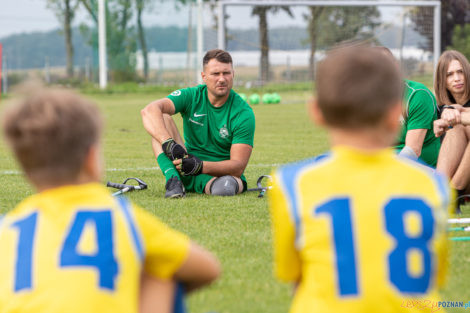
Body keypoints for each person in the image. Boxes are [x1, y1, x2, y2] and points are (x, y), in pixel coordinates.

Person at [0, 88, 220, 313]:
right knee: (161, 278)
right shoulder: (122, 218)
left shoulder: (6, 227)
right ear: (91, 159)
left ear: (25, 169)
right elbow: (208, 269)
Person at [269, 46, 451, 313]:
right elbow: (432, 278)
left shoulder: (291, 184)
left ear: (316, 113)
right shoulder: (435, 187)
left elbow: (296, 278)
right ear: (394, 114)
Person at [141, 49, 255, 198]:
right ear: (204, 76)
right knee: (160, 118)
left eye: (226, 73)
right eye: (215, 74)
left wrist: (200, 166)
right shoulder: (191, 96)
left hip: (217, 174)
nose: (222, 79)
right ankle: (173, 180)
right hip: (184, 166)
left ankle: (194, 183)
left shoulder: (243, 113)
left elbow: (238, 167)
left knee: (225, 189)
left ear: (233, 74)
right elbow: (149, 110)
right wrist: (168, 143)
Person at [375, 47, 440, 167]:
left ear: (395, 67)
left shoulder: (417, 94)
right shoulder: (368, 98)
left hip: (419, 169)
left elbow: (412, 151)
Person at [433, 50, 470, 208]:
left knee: (459, 123)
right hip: (457, 174)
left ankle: (452, 193)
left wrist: (459, 115)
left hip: (461, 183)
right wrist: (452, 111)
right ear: (443, 81)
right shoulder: (441, 108)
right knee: (456, 128)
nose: (457, 78)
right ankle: (442, 194)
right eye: (449, 74)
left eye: (460, 72)